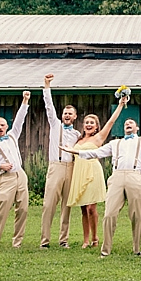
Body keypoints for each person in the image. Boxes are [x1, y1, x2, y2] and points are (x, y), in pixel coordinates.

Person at [63, 107, 141, 257]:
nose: (128, 124)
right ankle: (105, 250)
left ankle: (137, 249)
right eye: (126, 123)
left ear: (136, 128)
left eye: (131, 123)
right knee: (109, 213)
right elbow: (97, 153)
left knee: (137, 214)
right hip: (116, 176)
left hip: (135, 175)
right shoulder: (115, 143)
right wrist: (76, 152)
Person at [67, 100, 125, 248]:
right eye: (86, 122)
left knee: (91, 208)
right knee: (83, 208)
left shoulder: (98, 137)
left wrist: (120, 105)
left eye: (92, 122)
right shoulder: (78, 139)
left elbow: (111, 121)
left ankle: (95, 237)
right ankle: (85, 240)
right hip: (79, 172)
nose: (88, 125)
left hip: (92, 172)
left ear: (96, 126)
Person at [0, 89, 31, 249]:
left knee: (22, 209)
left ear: (6, 126)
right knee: (1, 212)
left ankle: (18, 242)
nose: (0, 128)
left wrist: (25, 101)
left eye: (2, 125)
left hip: (20, 175)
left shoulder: (12, 136)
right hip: (5, 178)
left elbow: (20, 120)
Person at [39, 73, 80, 249]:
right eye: (65, 113)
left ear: (75, 117)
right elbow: (49, 106)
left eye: (70, 114)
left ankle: (64, 240)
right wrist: (47, 86)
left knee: (67, 205)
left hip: (70, 168)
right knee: (49, 204)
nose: (66, 115)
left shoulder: (78, 134)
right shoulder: (55, 125)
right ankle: (44, 240)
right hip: (55, 166)